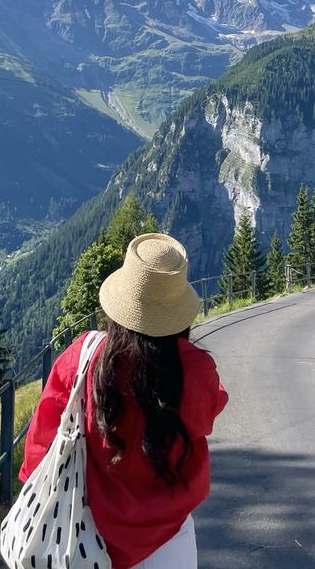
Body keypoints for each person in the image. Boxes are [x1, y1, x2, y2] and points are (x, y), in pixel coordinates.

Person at [19, 232, 228, 569]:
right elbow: (207, 414)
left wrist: (38, 502)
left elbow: (40, 444)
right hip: (167, 540)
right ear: (177, 311)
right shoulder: (195, 369)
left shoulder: (83, 357)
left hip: (84, 536)